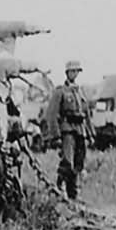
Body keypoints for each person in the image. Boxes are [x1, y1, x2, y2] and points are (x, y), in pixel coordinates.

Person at [42, 60, 93, 199]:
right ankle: (59, 186)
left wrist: (91, 133)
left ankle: (73, 194)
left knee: (78, 163)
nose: (75, 74)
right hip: (67, 130)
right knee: (67, 162)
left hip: (80, 130)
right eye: (72, 71)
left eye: (77, 71)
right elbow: (51, 114)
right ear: (67, 73)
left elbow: (86, 114)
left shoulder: (80, 91)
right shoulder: (60, 91)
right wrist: (55, 135)